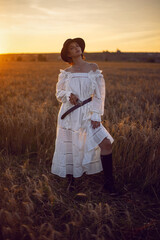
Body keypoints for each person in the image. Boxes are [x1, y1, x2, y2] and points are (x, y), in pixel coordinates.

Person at [51, 37, 118, 195]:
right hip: (70, 114)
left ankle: (109, 186)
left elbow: (100, 94)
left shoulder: (93, 67)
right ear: (68, 54)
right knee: (69, 146)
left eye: (77, 46)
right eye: (72, 48)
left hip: (89, 113)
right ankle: (71, 183)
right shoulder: (66, 73)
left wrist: (96, 115)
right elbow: (58, 94)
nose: (77, 48)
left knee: (106, 143)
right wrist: (68, 95)